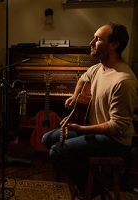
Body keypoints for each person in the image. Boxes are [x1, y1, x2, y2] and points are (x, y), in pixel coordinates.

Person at [42, 22, 138, 199]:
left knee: (57, 151)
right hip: (95, 129)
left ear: (114, 45)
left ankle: (96, 190)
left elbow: (118, 126)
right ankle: (86, 175)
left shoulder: (123, 81)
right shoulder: (98, 68)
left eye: (98, 39)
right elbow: (84, 78)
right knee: (47, 138)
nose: (91, 42)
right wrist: (75, 96)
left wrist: (80, 129)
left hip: (114, 140)